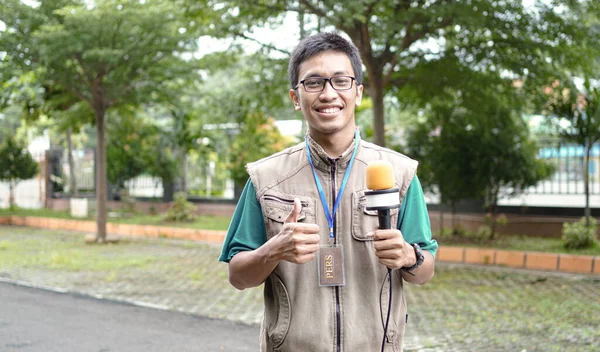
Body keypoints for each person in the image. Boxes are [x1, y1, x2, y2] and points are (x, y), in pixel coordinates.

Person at [219, 32, 437, 352]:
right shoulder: (265, 179)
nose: (328, 93)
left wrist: (409, 256)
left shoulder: (399, 174)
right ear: (296, 98)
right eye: (314, 82)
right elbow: (238, 276)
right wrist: (274, 249)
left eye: (340, 80)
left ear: (358, 92)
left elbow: (425, 271)